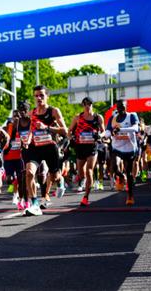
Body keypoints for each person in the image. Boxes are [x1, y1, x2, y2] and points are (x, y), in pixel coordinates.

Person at [23, 85, 67, 216]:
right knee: (29, 173)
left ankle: (61, 181)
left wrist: (46, 127)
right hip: (35, 147)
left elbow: (65, 130)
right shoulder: (32, 113)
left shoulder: (54, 111)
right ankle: (35, 204)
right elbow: (31, 130)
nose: (39, 98)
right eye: (36, 96)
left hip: (50, 147)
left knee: (54, 176)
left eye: (41, 95)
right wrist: (27, 140)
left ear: (47, 96)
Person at [68, 97, 105, 206]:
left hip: (92, 147)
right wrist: (71, 138)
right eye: (85, 104)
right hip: (80, 147)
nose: (87, 106)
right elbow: (69, 131)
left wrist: (100, 135)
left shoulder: (98, 117)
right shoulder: (77, 118)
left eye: (89, 104)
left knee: (89, 170)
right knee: (81, 173)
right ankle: (83, 181)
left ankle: (86, 197)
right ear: (82, 106)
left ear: (92, 105)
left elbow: (104, 132)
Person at [106, 99, 140, 205]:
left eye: (123, 107)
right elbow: (108, 131)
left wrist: (120, 130)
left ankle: (130, 196)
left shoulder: (132, 116)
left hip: (129, 148)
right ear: (117, 108)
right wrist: (102, 135)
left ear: (126, 107)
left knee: (129, 172)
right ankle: (120, 176)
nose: (121, 109)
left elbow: (135, 128)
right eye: (119, 107)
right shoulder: (113, 118)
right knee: (115, 167)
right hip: (117, 147)